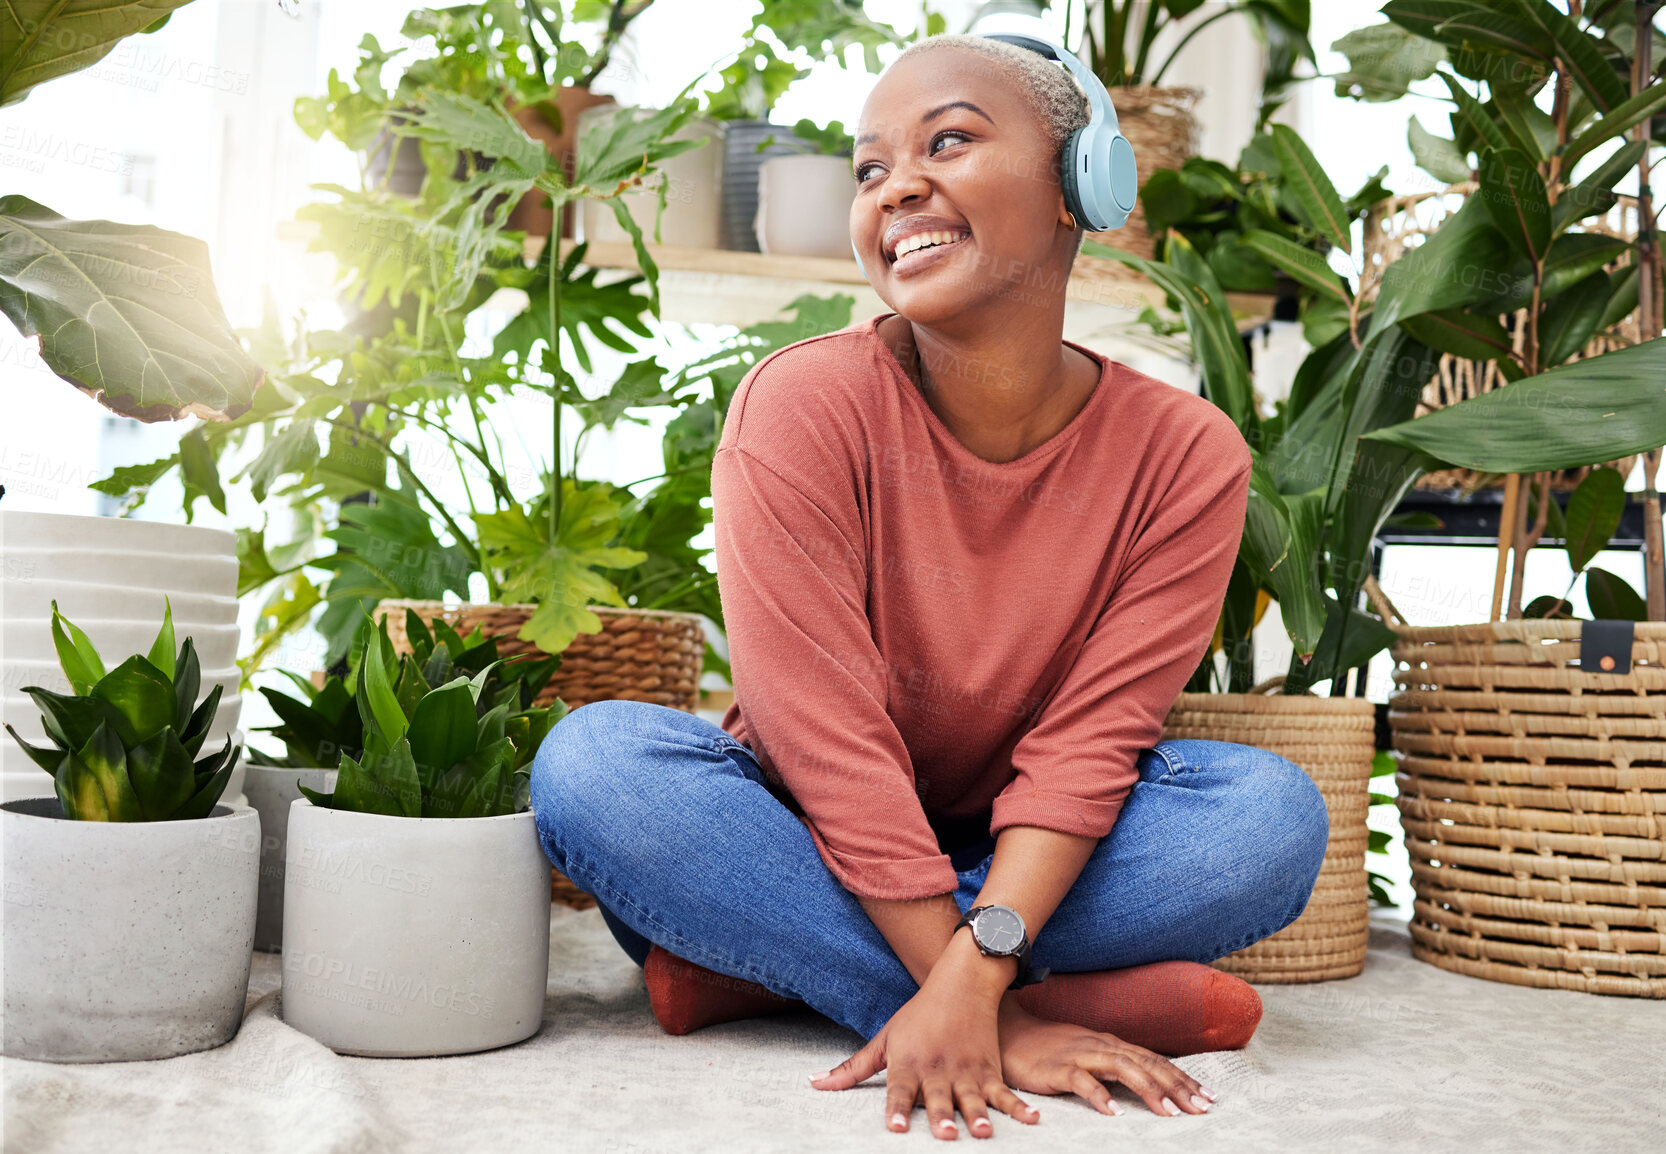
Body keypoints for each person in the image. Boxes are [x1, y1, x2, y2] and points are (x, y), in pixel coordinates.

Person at [531, 29, 1330, 1142]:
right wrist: (984, 987)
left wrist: (987, 938)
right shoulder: (802, 405)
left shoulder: (1188, 456)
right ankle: (1019, 1015)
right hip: (804, 841)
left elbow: (1094, 743)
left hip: (1036, 860)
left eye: (946, 141)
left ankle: (769, 978)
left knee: (1267, 819)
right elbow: (825, 743)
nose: (897, 184)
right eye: (869, 169)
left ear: (1077, 185)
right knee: (595, 766)